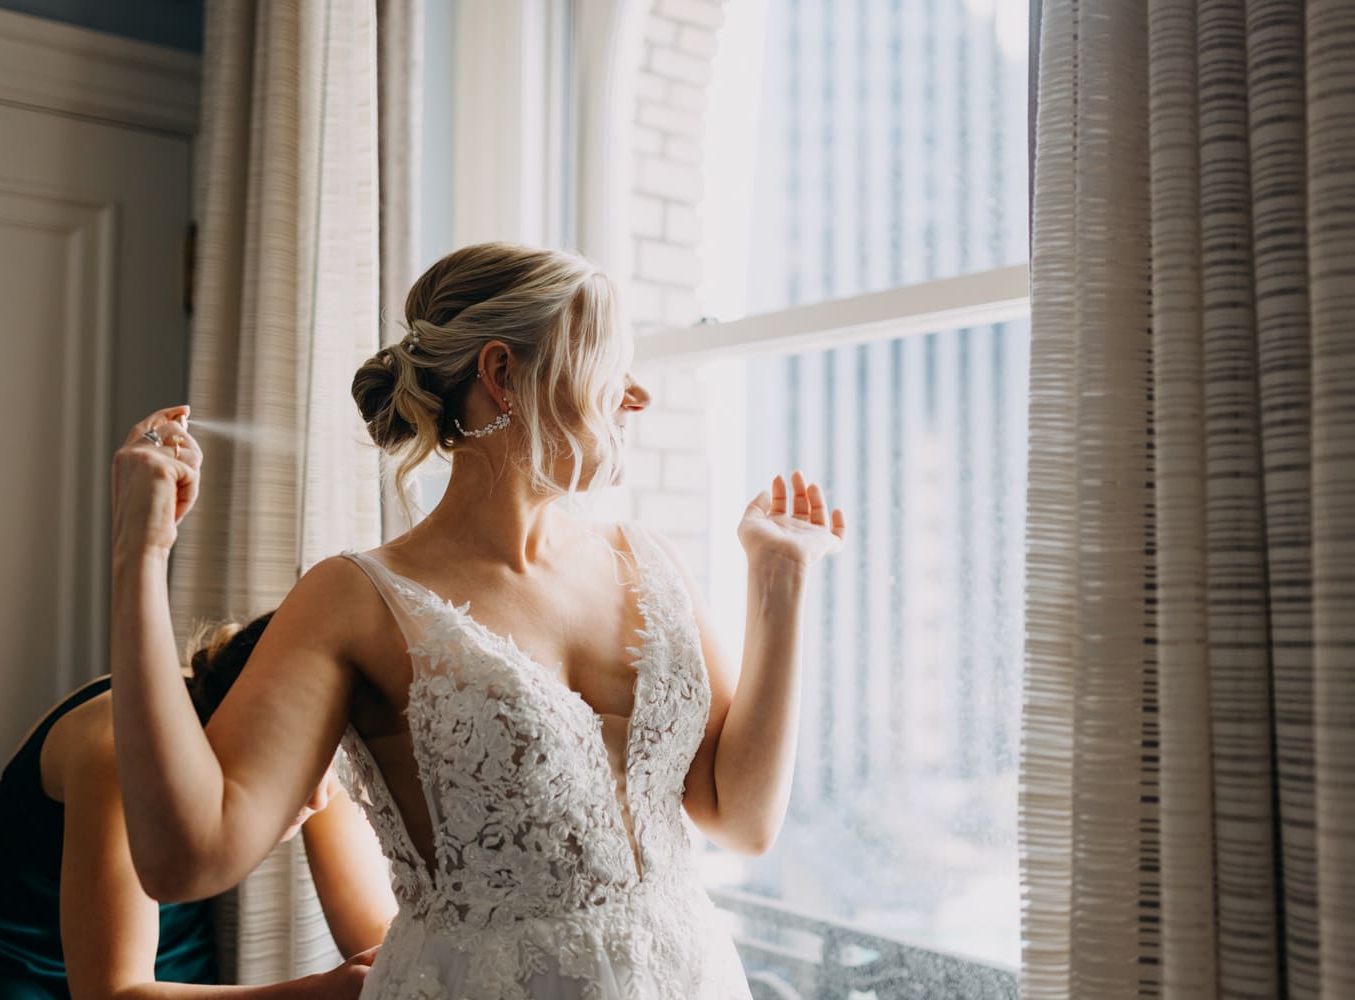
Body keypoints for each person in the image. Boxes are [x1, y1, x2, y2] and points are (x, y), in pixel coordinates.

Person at [107, 242, 848, 998]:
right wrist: (142, 553)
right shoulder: (353, 599)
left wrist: (778, 582)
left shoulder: (648, 564)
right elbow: (186, 859)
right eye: (607, 364)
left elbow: (740, 818)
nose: (636, 396)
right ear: (501, 377)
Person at [0, 611, 395, 1000]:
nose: (318, 799)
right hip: (11, 961)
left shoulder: (312, 750)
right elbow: (110, 992)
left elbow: (370, 931)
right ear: (247, 725)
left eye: (329, 770)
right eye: (304, 771)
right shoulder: (121, 749)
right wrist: (318, 990)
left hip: (163, 956)